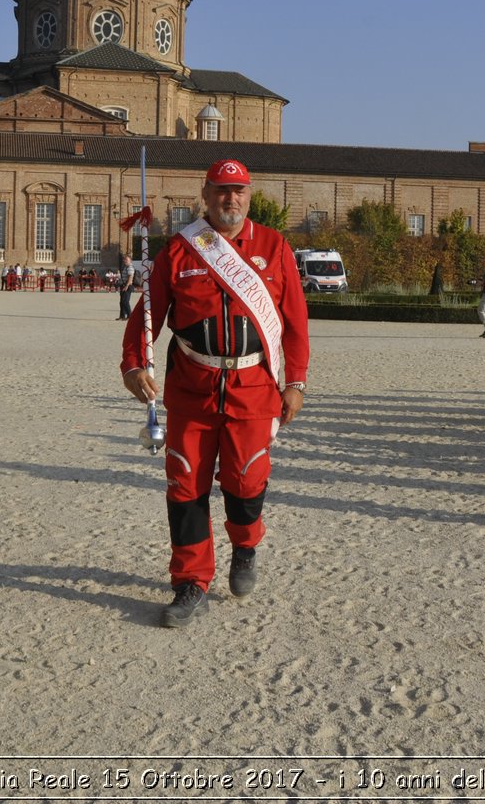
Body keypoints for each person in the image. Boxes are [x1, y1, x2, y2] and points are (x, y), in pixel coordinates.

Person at [121, 159, 309, 628]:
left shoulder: (274, 246)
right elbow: (148, 315)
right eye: (222, 190)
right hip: (192, 389)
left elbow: (295, 321)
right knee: (185, 486)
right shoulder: (180, 253)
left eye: (239, 191)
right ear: (205, 194)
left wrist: (297, 382)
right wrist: (134, 363)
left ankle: (245, 548)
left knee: (246, 481)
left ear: (249, 195)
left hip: (253, 389)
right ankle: (190, 581)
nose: (231, 199)